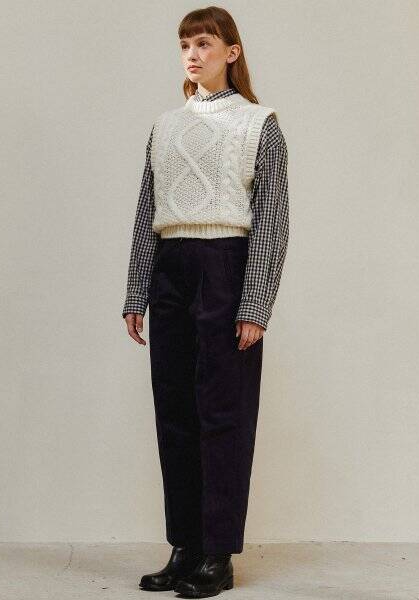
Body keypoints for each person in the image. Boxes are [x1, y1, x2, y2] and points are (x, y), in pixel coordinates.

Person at [122, 6, 289, 598]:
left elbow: (272, 219)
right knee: (174, 413)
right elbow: (148, 210)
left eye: (204, 44)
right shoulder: (164, 126)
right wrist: (137, 289)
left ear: (231, 52)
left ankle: (217, 556)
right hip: (171, 269)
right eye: (185, 46)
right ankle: (184, 548)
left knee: (224, 413)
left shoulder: (259, 124)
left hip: (226, 268)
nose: (192, 55)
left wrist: (255, 305)